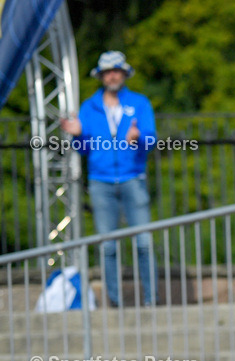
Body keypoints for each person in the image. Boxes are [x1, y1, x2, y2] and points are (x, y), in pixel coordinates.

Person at [60, 51, 156, 306]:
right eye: (107, 71)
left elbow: (151, 140)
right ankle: (115, 303)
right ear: (101, 76)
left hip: (133, 178)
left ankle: (151, 300)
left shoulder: (140, 103)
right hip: (101, 182)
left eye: (116, 70)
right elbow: (82, 149)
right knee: (108, 247)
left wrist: (138, 139)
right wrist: (78, 135)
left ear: (124, 73)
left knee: (144, 243)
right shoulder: (89, 107)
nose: (112, 75)